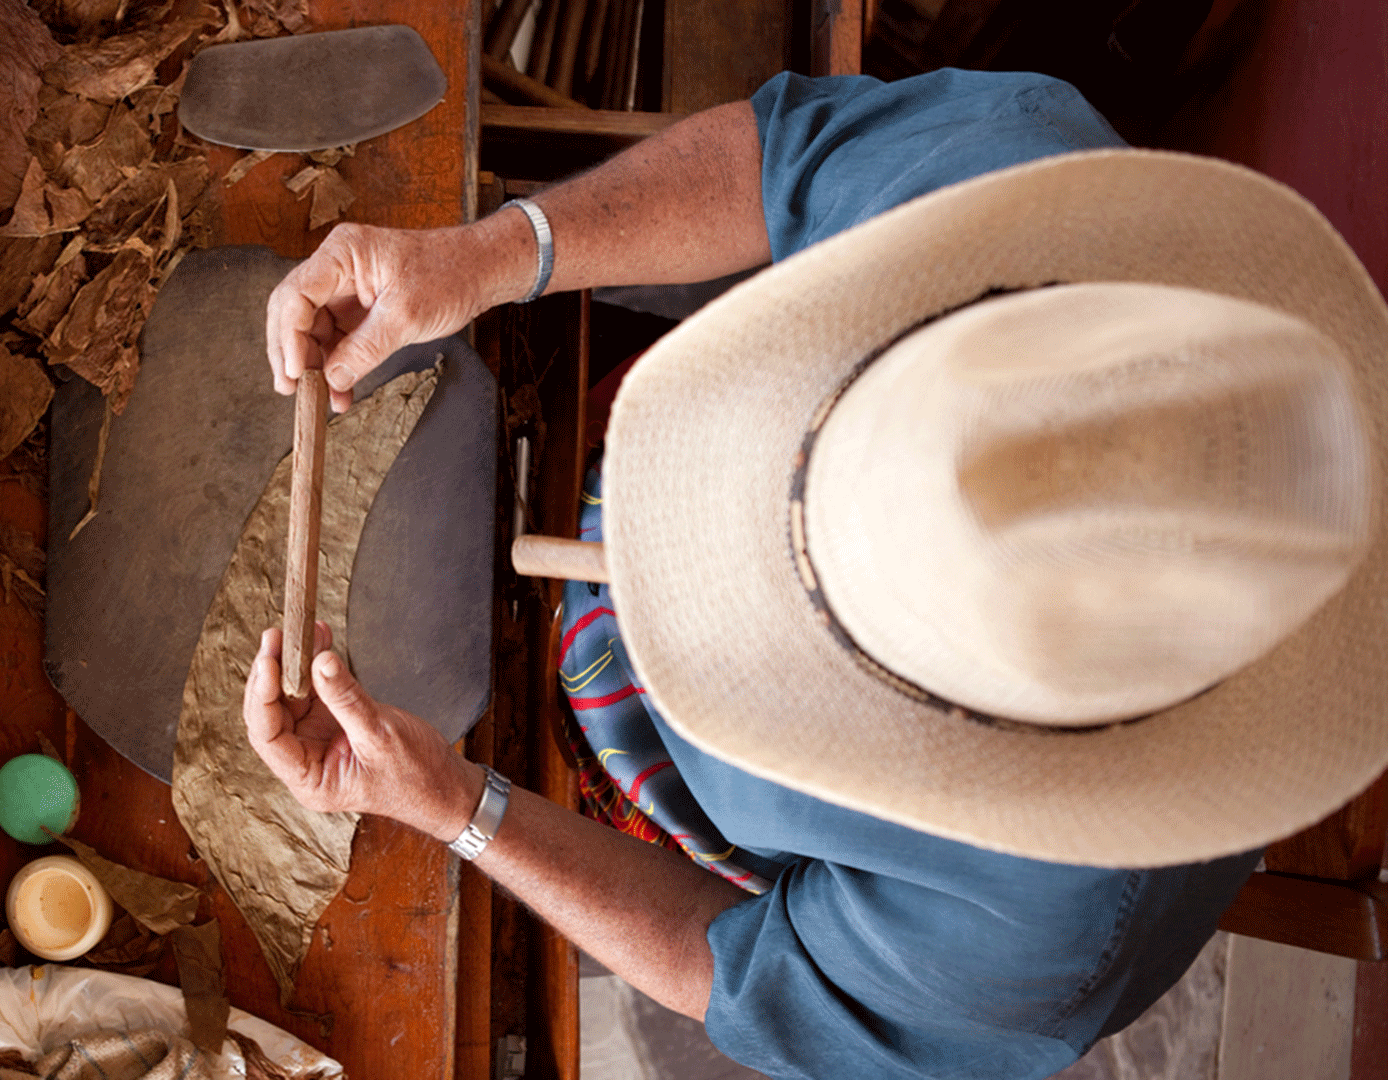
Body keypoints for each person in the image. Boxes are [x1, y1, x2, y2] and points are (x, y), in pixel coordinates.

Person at [242, 68, 1388, 1079]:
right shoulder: (1032, 200)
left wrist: (456, 804)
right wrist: (486, 255)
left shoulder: (1033, 944)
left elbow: (736, 968)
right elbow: (782, 161)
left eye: (815, 624)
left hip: (703, 800)